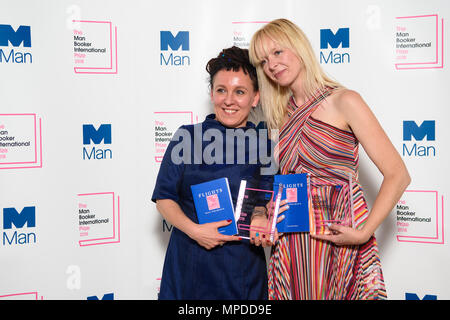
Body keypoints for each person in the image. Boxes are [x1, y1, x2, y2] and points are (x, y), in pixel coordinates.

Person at [249, 18, 410, 300]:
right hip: (292, 247)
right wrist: (269, 212)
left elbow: (398, 174)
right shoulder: (280, 116)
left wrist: (364, 233)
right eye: (263, 61)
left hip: (341, 240)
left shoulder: (344, 101)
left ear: (298, 47)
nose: (271, 65)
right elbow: (286, 181)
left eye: (277, 52)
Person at [151, 46, 277, 299]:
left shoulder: (265, 144)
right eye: (221, 90)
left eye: (239, 92)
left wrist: (262, 216)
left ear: (255, 97)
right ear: (212, 94)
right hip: (188, 265)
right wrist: (195, 231)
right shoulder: (187, 137)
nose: (229, 100)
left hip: (241, 272)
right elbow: (164, 199)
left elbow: (266, 199)